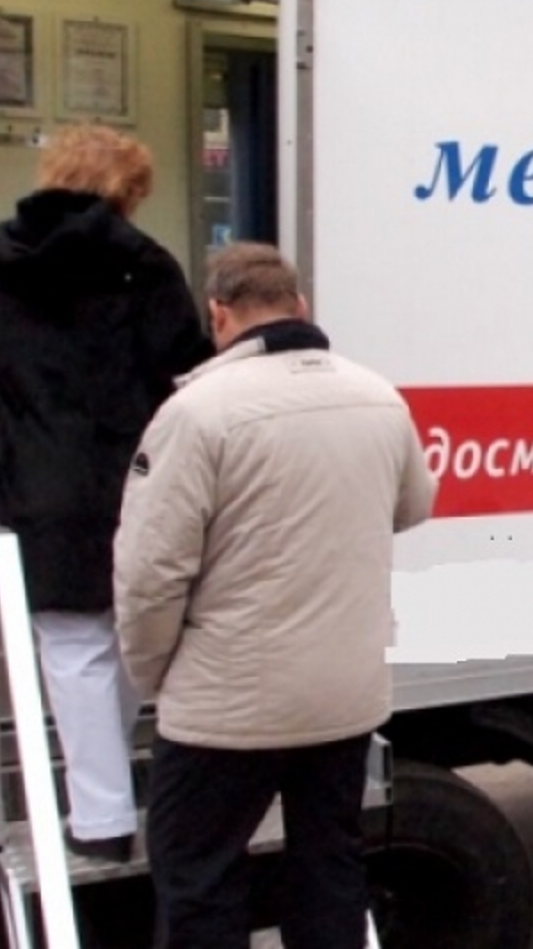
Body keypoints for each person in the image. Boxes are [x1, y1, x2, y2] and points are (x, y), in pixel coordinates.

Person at [114, 242, 436, 949]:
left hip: (225, 707)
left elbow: (149, 574)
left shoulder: (195, 413)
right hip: (343, 696)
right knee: (329, 867)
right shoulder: (378, 396)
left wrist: (152, 674)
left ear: (219, 315)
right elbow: (414, 504)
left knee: (200, 879)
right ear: (299, 306)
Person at [0, 124, 209, 861]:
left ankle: (100, 822)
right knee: (133, 633)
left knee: (72, 646)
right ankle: (115, 801)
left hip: (39, 473)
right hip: (132, 473)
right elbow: (186, 362)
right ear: (125, 189)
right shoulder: (143, 264)